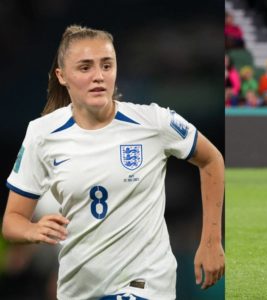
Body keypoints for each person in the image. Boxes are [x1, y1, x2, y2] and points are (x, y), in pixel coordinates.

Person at [1, 25, 225, 300]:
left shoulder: (153, 122)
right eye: (85, 68)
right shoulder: (42, 134)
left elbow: (212, 159)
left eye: (107, 65)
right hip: (77, 289)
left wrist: (211, 241)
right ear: (62, 76)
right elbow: (12, 222)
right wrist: (33, 230)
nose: (99, 76)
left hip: (144, 284)